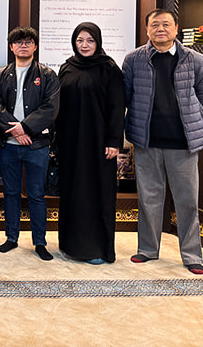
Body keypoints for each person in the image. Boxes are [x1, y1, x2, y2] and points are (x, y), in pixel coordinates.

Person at [123, 9, 203, 275]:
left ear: (176, 28)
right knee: (148, 199)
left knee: (187, 201)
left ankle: (192, 255)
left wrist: (189, 117)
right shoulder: (134, 59)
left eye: (165, 24)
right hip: (147, 141)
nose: (160, 29)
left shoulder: (196, 59)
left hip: (183, 143)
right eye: (155, 25)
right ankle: (147, 249)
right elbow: (126, 95)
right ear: (147, 30)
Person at [56, 22, 124, 265]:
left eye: (90, 40)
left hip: (98, 143)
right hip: (70, 142)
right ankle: (70, 245)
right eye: (80, 40)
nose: (84, 45)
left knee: (96, 192)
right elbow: (58, 106)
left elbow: (117, 108)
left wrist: (114, 141)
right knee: (72, 191)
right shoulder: (67, 67)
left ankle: (96, 248)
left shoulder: (109, 69)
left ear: (98, 41)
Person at [0, 26, 59, 261]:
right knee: (11, 192)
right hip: (8, 145)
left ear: (35, 46)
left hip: (36, 145)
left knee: (36, 194)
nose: (23, 46)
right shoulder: (0, 75)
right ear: (11, 47)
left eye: (28, 42)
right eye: (19, 42)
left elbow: (51, 108)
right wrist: (17, 131)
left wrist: (25, 128)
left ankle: (40, 242)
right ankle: (11, 238)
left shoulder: (47, 75)